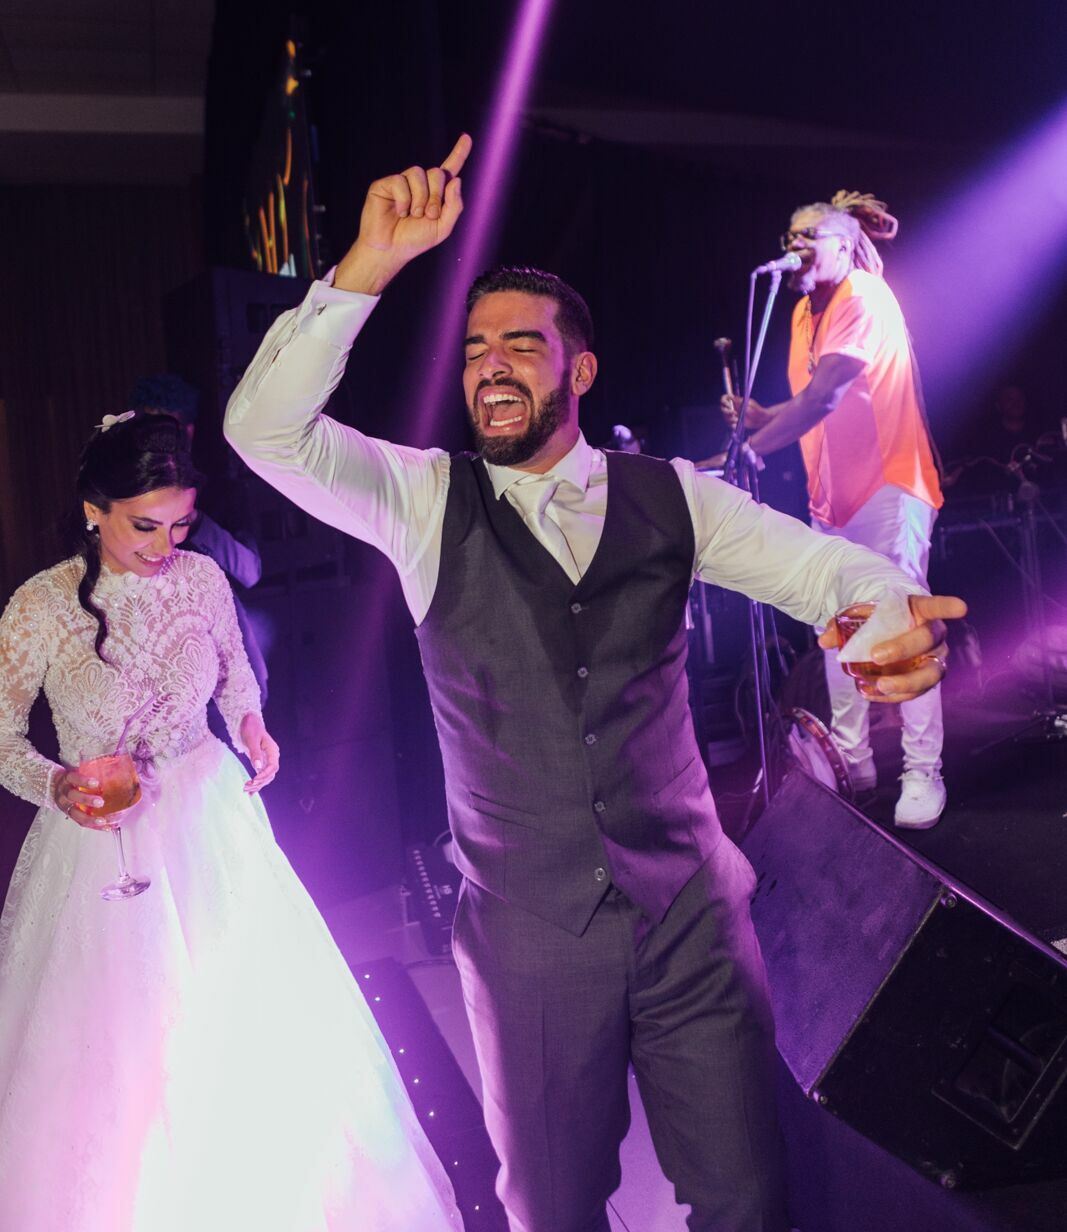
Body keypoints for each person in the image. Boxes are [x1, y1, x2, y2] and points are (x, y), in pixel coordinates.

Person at [224, 136, 964, 1232]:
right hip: (524, 935)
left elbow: (817, 567)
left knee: (748, 1199)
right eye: (475, 346)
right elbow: (262, 430)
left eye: (520, 344)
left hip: (692, 922)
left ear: (580, 370)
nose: (489, 364)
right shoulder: (423, 498)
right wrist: (364, 269)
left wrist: (887, 609)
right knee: (553, 1208)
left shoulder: (669, 496)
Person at [0, 411, 459, 1232]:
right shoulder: (39, 606)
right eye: (143, 524)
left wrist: (251, 727)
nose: (161, 544)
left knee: (247, 1015)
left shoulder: (203, 579)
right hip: (104, 837)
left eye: (178, 523)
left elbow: (235, 682)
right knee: (125, 1039)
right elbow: (0, 740)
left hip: (207, 811)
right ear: (93, 509)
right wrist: (56, 785)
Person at [719, 192, 946, 830]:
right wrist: (759, 423)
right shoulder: (798, 315)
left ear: (844, 246)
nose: (795, 242)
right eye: (789, 231)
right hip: (833, 498)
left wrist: (747, 448)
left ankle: (922, 770)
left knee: (900, 623)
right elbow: (811, 413)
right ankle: (855, 764)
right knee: (841, 630)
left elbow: (824, 399)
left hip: (888, 486)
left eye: (810, 233)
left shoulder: (864, 297)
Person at [128, 372, 270, 701]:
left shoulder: (220, 491)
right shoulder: (125, 492)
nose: (161, 439)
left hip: (219, 655)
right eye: (151, 428)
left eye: (171, 427)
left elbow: (250, 571)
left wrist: (195, 522)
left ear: (189, 430)